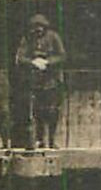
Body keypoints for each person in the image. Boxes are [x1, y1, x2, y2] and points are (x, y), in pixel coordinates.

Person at [14, 13, 66, 149]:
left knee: (52, 111)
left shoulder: (54, 37)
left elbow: (62, 56)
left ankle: (52, 140)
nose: (38, 30)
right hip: (35, 81)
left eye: (41, 27)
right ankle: (38, 139)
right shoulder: (28, 39)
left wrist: (47, 62)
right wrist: (33, 62)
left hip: (51, 80)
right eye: (35, 27)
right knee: (37, 112)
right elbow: (20, 57)